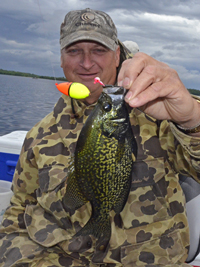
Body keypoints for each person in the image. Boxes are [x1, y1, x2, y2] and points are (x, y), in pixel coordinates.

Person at [0, 7, 200, 267]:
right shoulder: (38, 135)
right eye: (74, 51)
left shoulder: (162, 115)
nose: (86, 63)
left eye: (98, 50)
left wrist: (192, 119)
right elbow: (18, 211)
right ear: (61, 59)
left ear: (117, 55)